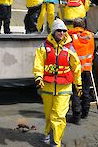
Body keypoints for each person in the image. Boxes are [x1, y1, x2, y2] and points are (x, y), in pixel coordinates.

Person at [33, 18, 82, 147]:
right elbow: (38, 64)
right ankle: (48, 134)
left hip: (64, 87)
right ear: (54, 31)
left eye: (64, 30)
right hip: (48, 87)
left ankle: (56, 142)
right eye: (59, 30)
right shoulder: (43, 47)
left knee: (58, 116)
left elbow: (76, 67)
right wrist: (38, 77)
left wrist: (78, 85)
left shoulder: (70, 48)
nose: (62, 33)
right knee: (49, 114)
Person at [68, 18, 95, 125]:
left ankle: (76, 116)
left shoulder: (71, 37)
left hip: (76, 69)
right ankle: (85, 113)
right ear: (83, 26)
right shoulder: (90, 36)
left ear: (74, 26)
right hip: (87, 68)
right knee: (86, 91)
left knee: (75, 92)